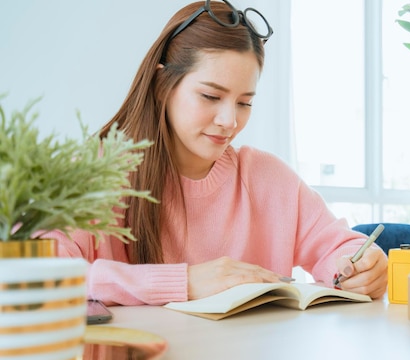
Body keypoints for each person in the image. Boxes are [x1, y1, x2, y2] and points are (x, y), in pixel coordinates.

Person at [46, 0, 388, 306]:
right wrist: (187, 282)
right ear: (161, 84)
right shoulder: (93, 174)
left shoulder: (268, 179)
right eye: (210, 96)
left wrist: (363, 264)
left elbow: (338, 247)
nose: (230, 121)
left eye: (245, 102)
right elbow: (41, 276)